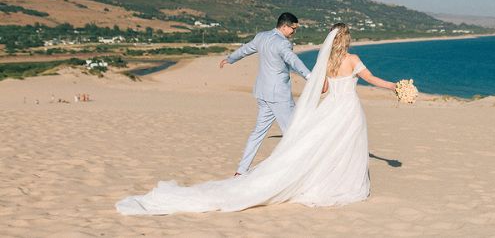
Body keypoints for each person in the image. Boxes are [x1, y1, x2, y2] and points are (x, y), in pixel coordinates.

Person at [116, 23, 399, 215]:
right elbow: (371, 79)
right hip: (346, 109)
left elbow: (322, 87)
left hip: (326, 107)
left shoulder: (326, 62)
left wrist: (230, 58)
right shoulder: (353, 58)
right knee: (345, 146)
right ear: (346, 41)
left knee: (311, 143)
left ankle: (247, 168)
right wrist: (396, 87)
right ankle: (340, 184)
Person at [218, 12, 312, 176]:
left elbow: (245, 49)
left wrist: (230, 58)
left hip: (262, 92)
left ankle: (241, 170)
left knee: (258, 133)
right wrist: (310, 76)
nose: (294, 32)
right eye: (293, 29)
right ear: (284, 26)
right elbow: (293, 60)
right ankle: (295, 171)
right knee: (293, 131)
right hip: (278, 95)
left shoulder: (261, 37)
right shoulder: (283, 44)